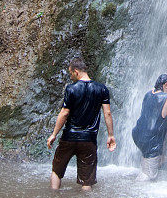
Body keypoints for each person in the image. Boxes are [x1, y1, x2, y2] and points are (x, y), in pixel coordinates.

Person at [47, 57, 116, 190]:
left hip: (69, 137)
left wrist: (54, 134)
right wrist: (110, 135)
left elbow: (64, 113)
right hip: (88, 140)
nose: (71, 76)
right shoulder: (102, 89)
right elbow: (107, 113)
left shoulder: (71, 89)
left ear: (76, 71)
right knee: (86, 180)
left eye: (71, 73)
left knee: (57, 171)